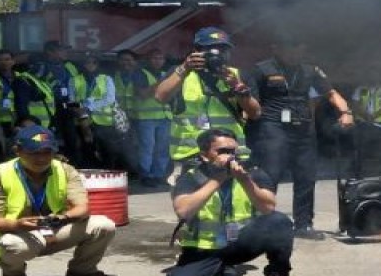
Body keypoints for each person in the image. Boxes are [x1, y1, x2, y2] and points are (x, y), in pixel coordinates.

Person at [166, 128, 296, 276]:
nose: (230, 156)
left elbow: (268, 207)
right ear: (205, 154)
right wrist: (218, 179)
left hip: (240, 243)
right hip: (204, 247)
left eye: (232, 151)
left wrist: (244, 180)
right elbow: (183, 210)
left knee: (279, 222)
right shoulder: (191, 177)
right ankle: (210, 275)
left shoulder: (251, 172)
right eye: (222, 151)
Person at [248, 35, 354, 240]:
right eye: (290, 47)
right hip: (273, 128)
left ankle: (303, 224)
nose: (295, 51)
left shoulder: (310, 70)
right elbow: (251, 101)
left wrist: (346, 112)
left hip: (304, 129)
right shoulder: (261, 69)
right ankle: (263, 223)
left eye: (298, 47)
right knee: (269, 176)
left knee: (306, 177)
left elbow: (331, 93)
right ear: (276, 47)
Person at [0, 125, 120, 276]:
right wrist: (17, 225)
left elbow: (83, 208)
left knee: (103, 225)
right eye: (34, 153)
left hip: (54, 228)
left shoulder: (65, 170)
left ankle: (82, 272)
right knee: (12, 244)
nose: (41, 158)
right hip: (17, 233)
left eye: (47, 152)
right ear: (18, 151)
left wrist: (63, 218)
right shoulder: (0, 174)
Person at [154, 27, 260, 173]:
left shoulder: (238, 76)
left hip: (230, 154)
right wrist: (184, 68)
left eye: (223, 50)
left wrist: (237, 87)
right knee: (192, 196)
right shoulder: (180, 73)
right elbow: (160, 97)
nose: (217, 54)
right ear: (196, 51)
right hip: (190, 155)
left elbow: (255, 113)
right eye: (211, 50)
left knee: (233, 196)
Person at [117, 48, 172, 187]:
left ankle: (159, 176)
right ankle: (146, 175)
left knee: (162, 148)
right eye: (154, 58)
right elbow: (142, 94)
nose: (158, 61)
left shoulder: (164, 73)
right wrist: (161, 82)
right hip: (146, 118)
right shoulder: (140, 73)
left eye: (161, 58)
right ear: (148, 59)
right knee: (147, 148)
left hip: (165, 117)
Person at [69, 53, 125, 170]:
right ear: (82, 64)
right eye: (87, 62)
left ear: (97, 64)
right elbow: (71, 100)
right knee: (87, 149)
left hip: (104, 121)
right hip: (82, 120)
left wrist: (89, 106)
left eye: (93, 62)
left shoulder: (106, 79)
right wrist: (80, 110)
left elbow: (110, 98)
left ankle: (109, 174)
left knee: (107, 150)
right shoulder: (74, 80)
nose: (90, 65)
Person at [351, 79, 381, 176]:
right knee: (360, 146)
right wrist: (366, 116)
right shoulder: (360, 90)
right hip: (363, 123)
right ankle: (356, 169)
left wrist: (374, 115)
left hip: (379, 123)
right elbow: (355, 105)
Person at [0, 49, 16, 160]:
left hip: (14, 121)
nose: (4, 62)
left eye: (7, 59)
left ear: (13, 61)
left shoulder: (20, 77)